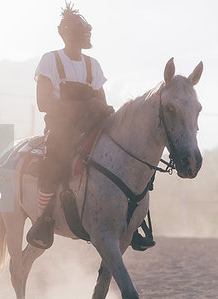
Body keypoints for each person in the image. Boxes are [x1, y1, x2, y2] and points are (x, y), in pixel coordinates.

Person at [26, 3, 156, 251]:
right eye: (80, 33)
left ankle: (131, 222)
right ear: (67, 35)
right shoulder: (50, 60)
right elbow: (43, 103)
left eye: (85, 33)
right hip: (61, 127)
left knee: (124, 158)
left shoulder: (92, 65)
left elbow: (102, 101)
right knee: (54, 160)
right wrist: (82, 105)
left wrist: (102, 110)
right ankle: (44, 219)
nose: (85, 37)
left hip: (92, 124)